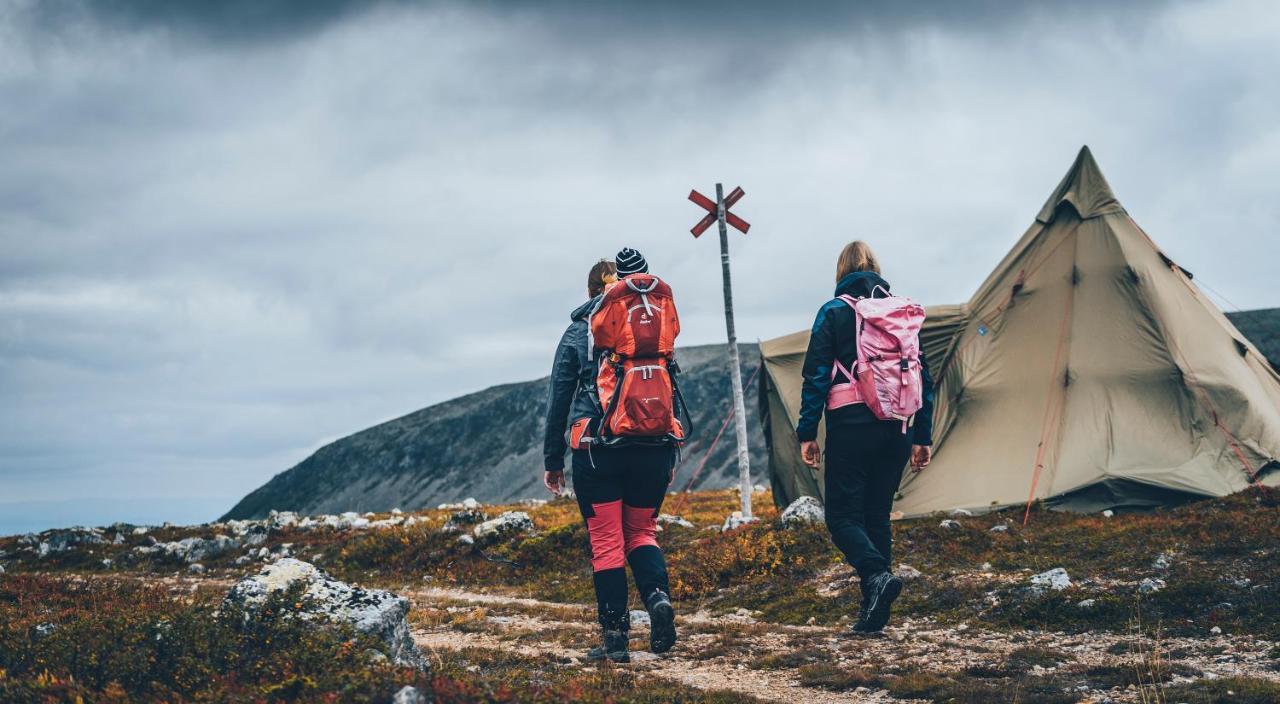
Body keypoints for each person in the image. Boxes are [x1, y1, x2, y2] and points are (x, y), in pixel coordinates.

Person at [543, 248, 678, 663]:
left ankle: (616, 638)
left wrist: (553, 461)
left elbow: (559, 400)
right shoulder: (653, 326)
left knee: (606, 543)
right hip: (653, 446)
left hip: (596, 450)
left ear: (592, 291)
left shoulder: (579, 332)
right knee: (642, 532)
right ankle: (657, 599)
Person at [796, 240, 934, 634]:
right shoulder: (901, 315)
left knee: (841, 518)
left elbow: (816, 376)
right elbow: (924, 376)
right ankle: (874, 614)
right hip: (898, 427)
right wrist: (922, 436)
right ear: (876, 268)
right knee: (876, 516)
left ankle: (875, 577)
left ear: (841, 272)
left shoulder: (834, 311)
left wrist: (808, 432)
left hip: (851, 425)